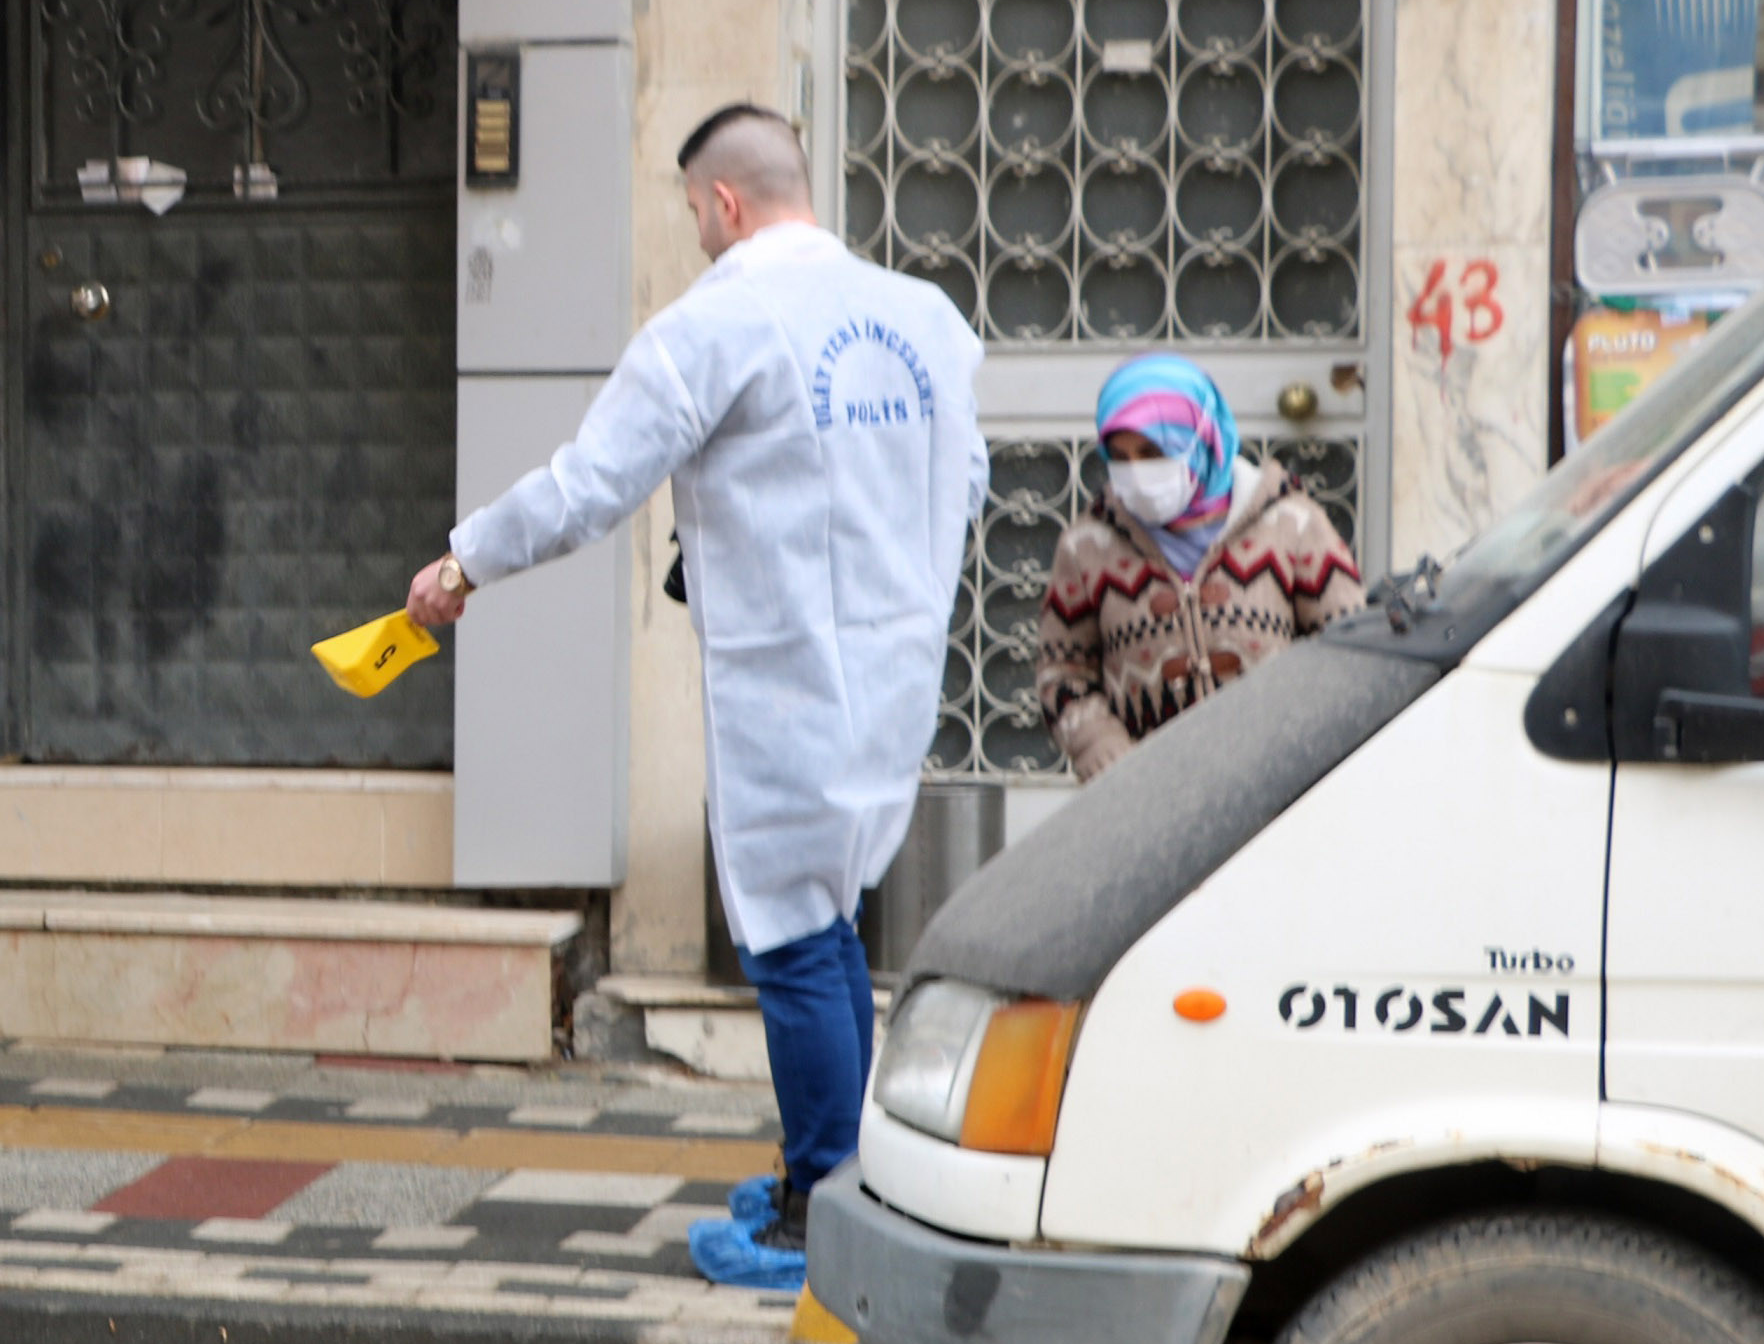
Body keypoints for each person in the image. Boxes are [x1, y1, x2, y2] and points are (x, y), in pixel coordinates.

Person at [408, 107, 985, 1250]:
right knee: (834, 924)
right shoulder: (928, 320)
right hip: (898, 668)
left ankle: (825, 1207)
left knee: (791, 939)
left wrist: (466, 558)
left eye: (692, 215)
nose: (698, 238)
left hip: (787, 678)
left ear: (724, 201)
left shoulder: (716, 323)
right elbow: (961, 482)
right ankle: (839, 1180)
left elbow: (588, 485)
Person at [1035, 354, 1364, 783]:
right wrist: (1103, 750)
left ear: (1202, 439)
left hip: (1279, 785)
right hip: (1143, 795)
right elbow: (1062, 673)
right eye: (1120, 457)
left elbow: (1348, 647)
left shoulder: (1293, 525)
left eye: (1153, 452)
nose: (1135, 472)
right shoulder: (1087, 546)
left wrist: (1300, 739)